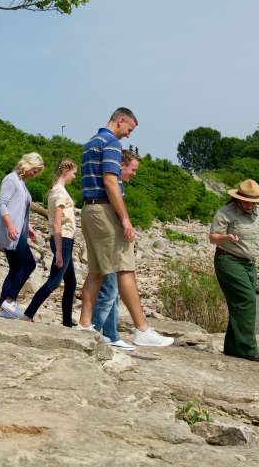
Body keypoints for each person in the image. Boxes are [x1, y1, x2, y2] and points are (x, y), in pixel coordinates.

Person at [75, 108, 173, 347]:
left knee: (96, 272)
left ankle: (85, 325)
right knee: (125, 268)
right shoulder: (110, 143)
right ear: (120, 121)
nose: (128, 135)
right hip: (104, 211)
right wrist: (125, 218)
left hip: (89, 209)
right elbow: (110, 182)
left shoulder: (90, 143)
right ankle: (142, 330)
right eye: (129, 129)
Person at [208, 179, 259, 362]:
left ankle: (232, 347)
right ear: (237, 198)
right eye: (245, 201)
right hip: (228, 260)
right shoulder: (225, 213)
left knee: (239, 304)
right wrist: (226, 237)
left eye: (253, 202)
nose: (249, 205)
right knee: (247, 300)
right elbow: (212, 238)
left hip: (249, 263)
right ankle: (247, 349)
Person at [90, 149, 139, 349]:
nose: (134, 174)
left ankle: (111, 334)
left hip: (112, 239)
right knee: (109, 289)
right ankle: (93, 330)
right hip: (109, 241)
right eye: (133, 169)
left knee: (113, 290)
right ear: (122, 165)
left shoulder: (117, 183)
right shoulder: (113, 183)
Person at [0, 152, 44, 319]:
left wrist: (30, 227)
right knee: (26, 265)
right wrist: (10, 226)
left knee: (16, 268)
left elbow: (19, 209)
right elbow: (2, 205)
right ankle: (9, 300)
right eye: (35, 170)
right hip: (12, 232)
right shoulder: (11, 179)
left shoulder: (21, 182)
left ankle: (1, 307)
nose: (35, 175)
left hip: (20, 231)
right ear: (28, 165)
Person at [22, 159, 78, 325]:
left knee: (71, 282)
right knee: (54, 281)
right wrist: (59, 252)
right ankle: (28, 314)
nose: (74, 177)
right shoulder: (60, 193)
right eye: (74, 173)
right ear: (66, 171)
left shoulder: (55, 191)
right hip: (63, 240)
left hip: (63, 240)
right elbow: (57, 224)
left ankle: (67, 321)